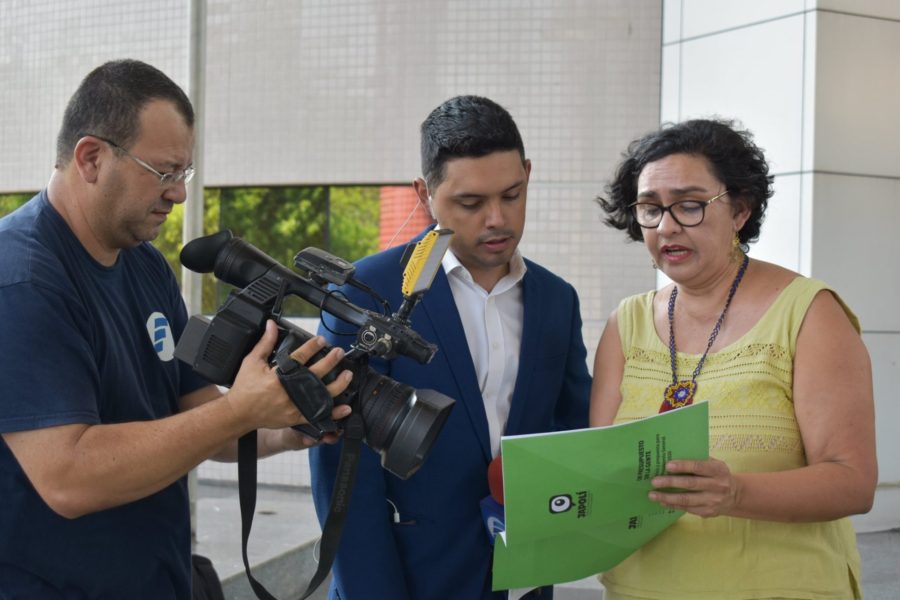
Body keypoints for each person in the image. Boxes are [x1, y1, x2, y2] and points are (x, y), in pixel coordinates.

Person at [0, 59, 353, 599]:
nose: (179, 194)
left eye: (183, 174)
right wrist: (240, 410)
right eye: (164, 172)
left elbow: (196, 413)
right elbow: (68, 476)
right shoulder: (22, 280)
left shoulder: (144, 265)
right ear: (91, 158)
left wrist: (286, 426)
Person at [309, 95, 592, 599]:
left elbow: (573, 430)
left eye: (512, 195)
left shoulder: (557, 300)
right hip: (409, 581)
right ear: (425, 193)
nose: (497, 219)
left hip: (523, 580)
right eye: (471, 203)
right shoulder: (367, 293)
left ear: (528, 175)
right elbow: (344, 477)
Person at [591, 118, 877, 599]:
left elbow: (853, 481)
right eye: (650, 209)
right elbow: (599, 470)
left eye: (689, 205)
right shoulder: (627, 323)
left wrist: (736, 493)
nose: (667, 227)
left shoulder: (808, 312)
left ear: (741, 210)